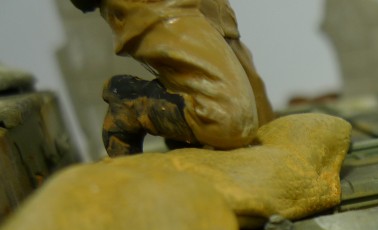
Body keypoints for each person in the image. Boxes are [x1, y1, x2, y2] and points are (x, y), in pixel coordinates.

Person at [70, 0, 275, 156]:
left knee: (265, 135)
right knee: (228, 120)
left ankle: (186, 139)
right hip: (160, 6)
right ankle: (131, 104)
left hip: (212, 7)